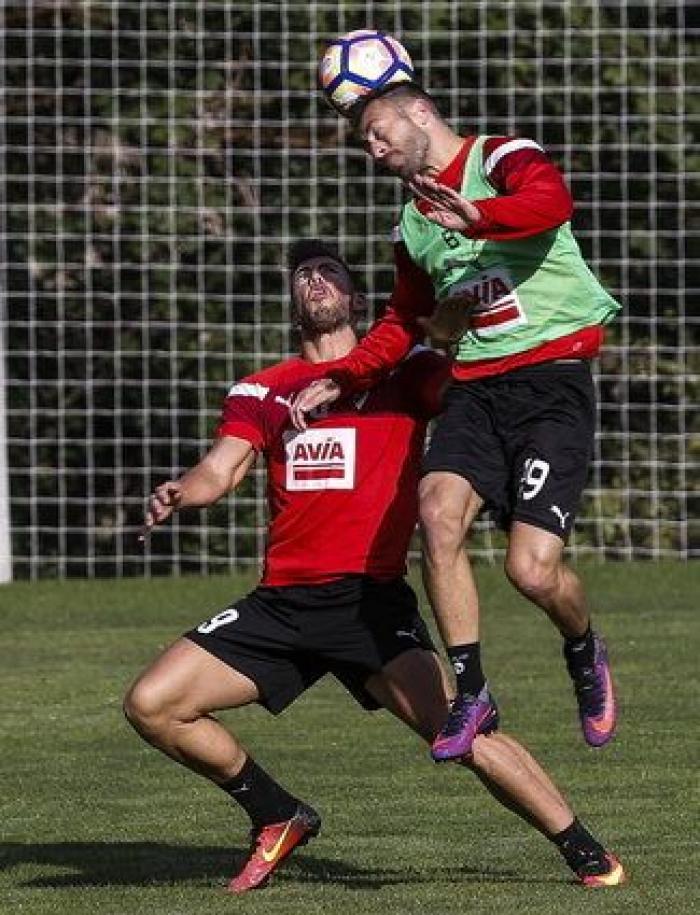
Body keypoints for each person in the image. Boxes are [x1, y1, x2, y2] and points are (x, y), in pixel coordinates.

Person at [124, 239, 625, 894]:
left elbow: (474, 407)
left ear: (357, 299)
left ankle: (587, 851)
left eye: (330, 271)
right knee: (152, 703)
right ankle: (276, 812)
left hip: (369, 605)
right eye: (303, 274)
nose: (315, 279)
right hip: (282, 604)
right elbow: (220, 470)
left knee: (466, 732)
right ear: (292, 304)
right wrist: (179, 490)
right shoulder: (263, 388)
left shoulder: (405, 372)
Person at [290, 80, 621, 762]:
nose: (374, 146)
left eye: (380, 129)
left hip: (551, 383)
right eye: (365, 141)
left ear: (419, 111)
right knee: (436, 513)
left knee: (531, 573)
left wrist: (481, 218)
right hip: (475, 387)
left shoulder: (500, 157)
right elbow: (403, 320)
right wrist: (343, 374)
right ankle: (472, 690)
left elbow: (551, 202)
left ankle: (584, 647)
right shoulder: (411, 221)